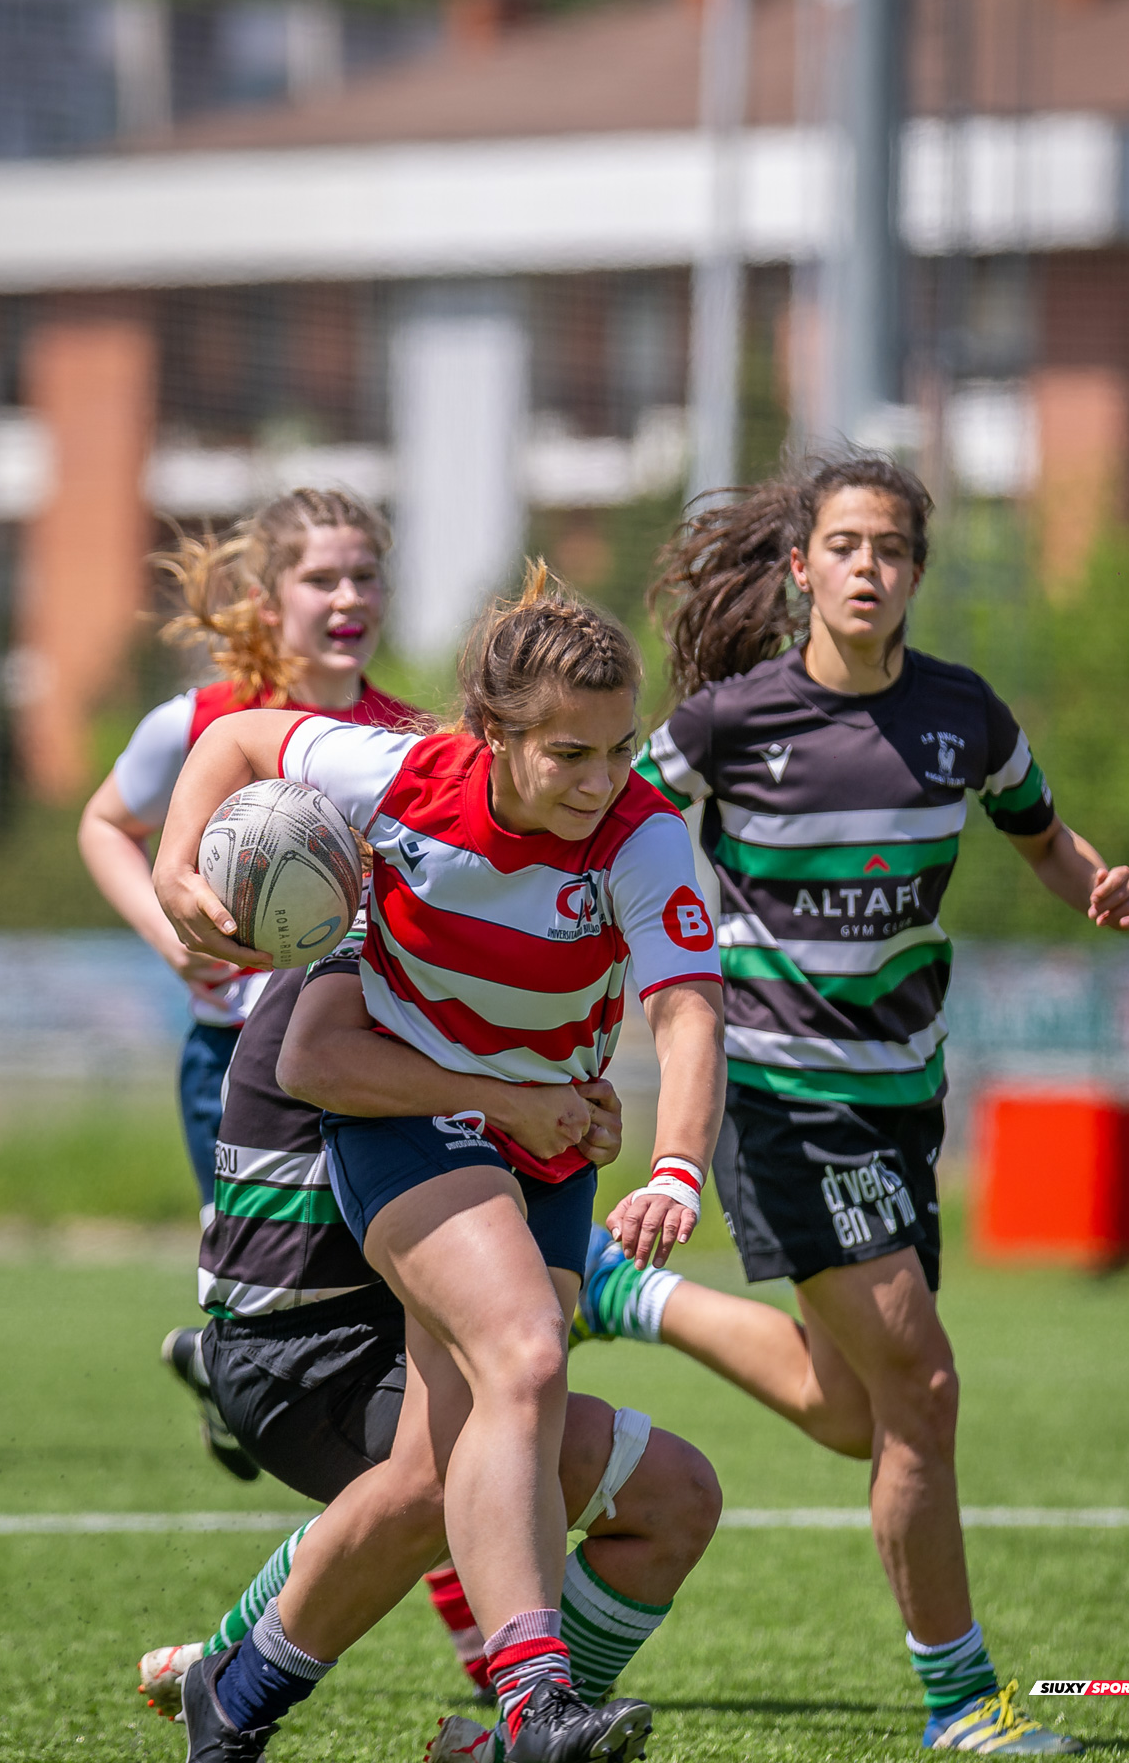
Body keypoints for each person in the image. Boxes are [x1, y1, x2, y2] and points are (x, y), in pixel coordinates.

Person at [622, 454, 1129, 1756]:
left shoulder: (959, 716)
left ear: (915, 571)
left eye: (891, 549)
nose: (868, 568)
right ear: (798, 567)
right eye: (845, 546)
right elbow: (608, 830)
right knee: (922, 1387)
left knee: (850, 1409)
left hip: (903, 1100)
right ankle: (962, 1706)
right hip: (781, 1102)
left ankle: (616, 1296)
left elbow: (1034, 828)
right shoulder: (727, 724)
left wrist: (1085, 882)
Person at [152, 566, 727, 1763]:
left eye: (619, 749)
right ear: (493, 737)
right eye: (568, 754)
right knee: (522, 1352)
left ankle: (236, 1694)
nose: (601, 779)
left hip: (549, 1153)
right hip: (410, 1125)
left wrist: (674, 1165)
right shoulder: (402, 778)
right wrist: (173, 870)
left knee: (429, 1472)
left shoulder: (640, 835)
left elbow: (685, 1010)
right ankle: (532, 1707)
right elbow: (241, 736)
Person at [139, 931, 720, 1737]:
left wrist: (571, 1118)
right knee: (465, 1461)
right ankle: (239, 1688)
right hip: (303, 1354)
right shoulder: (379, 956)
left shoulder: (457, 948)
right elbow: (323, 1073)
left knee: (672, 1495)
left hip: (379, 1332)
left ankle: (518, 1733)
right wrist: (519, 1106)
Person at [78, 488, 418, 1259]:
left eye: (365, 577)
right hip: (233, 1049)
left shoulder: (403, 741)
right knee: (253, 1286)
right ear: (266, 601)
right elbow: (104, 825)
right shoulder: (198, 723)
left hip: (362, 1050)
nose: (348, 597)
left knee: (371, 1282)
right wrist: (170, 934)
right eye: (322, 579)